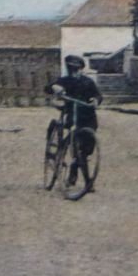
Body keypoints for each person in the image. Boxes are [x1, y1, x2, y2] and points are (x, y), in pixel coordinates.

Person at [47, 54, 103, 188]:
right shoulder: (65, 81)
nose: (74, 73)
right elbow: (48, 87)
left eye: (77, 70)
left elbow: (98, 95)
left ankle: (75, 169)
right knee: (78, 149)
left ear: (81, 69)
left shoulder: (88, 82)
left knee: (87, 149)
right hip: (73, 116)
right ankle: (87, 182)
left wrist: (95, 101)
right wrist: (55, 87)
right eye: (71, 70)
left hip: (88, 118)